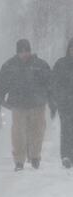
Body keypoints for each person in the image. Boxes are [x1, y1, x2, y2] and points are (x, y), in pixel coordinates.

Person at [0, 39, 56, 171]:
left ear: (30, 50)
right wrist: (0, 99)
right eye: (21, 51)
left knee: (37, 132)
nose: (24, 54)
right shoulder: (9, 66)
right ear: (17, 52)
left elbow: (50, 84)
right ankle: (19, 161)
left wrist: (51, 101)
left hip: (37, 104)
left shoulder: (40, 65)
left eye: (27, 50)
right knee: (18, 134)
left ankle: (35, 157)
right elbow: (1, 84)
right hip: (18, 105)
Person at [52, 38, 73, 169]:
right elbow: (54, 83)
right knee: (66, 129)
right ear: (68, 49)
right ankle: (66, 156)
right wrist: (59, 98)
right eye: (72, 48)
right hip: (65, 104)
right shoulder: (61, 64)